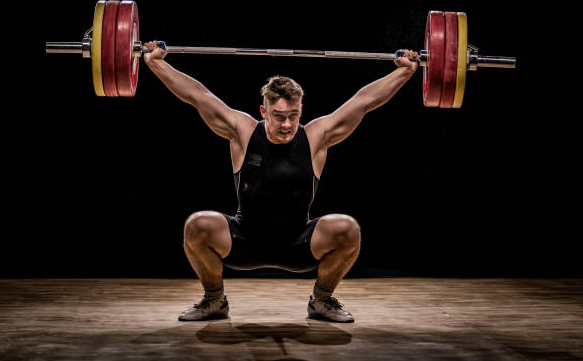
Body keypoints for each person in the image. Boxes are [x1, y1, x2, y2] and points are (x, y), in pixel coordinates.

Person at [143, 42, 418, 322]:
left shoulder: (315, 136)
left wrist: (404, 73)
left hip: (299, 243)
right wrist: (156, 63)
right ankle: (214, 300)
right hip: (243, 240)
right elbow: (197, 95)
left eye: (293, 116)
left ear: (301, 110)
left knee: (347, 228)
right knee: (197, 225)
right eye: (279, 116)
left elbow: (363, 102)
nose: (287, 124)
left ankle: (321, 301)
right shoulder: (243, 131)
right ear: (264, 112)